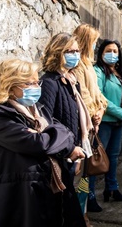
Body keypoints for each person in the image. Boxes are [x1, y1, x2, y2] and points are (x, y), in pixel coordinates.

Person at [0, 59, 85, 227]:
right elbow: (37, 144)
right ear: (9, 86)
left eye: (36, 82)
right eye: (29, 83)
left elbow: (66, 132)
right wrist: (49, 137)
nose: (36, 87)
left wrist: (52, 137)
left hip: (40, 193)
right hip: (9, 199)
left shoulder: (37, 110)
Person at [88, 39, 122, 209]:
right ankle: (90, 194)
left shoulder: (119, 72)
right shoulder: (98, 72)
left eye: (116, 51)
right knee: (96, 159)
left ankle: (112, 188)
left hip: (119, 123)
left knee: (113, 157)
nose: (113, 54)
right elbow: (101, 98)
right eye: (109, 51)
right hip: (105, 122)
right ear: (101, 53)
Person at [39, 33, 94, 182]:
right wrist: (68, 150)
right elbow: (46, 122)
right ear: (57, 53)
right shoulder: (50, 82)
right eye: (69, 51)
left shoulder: (72, 81)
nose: (75, 55)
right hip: (61, 154)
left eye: (77, 51)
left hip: (74, 152)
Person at [72, 23, 108, 216]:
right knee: (81, 175)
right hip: (84, 127)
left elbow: (97, 94)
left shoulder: (88, 65)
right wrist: (95, 114)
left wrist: (101, 108)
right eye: (94, 41)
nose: (96, 45)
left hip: (93, 122)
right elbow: (83, 96)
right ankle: (80, 213)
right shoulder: (78, 65)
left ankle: (83, 212)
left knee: (86, 174)